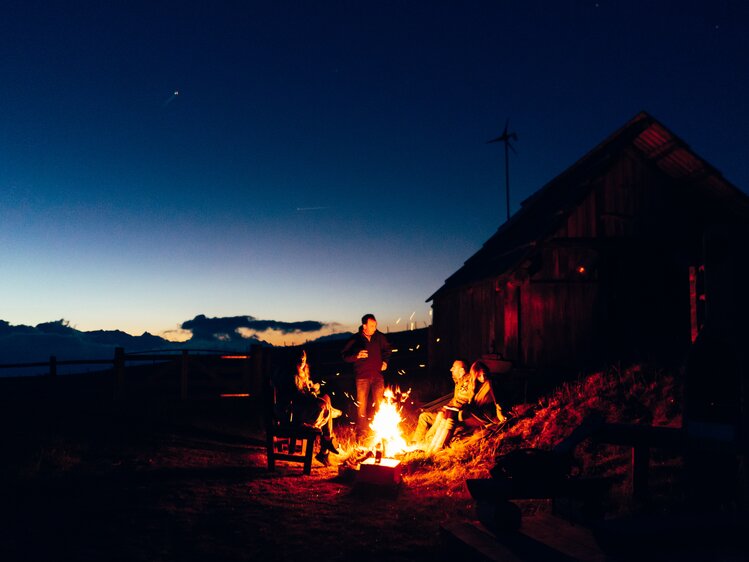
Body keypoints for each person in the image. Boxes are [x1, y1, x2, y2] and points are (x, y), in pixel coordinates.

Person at [426, 360, 505, 452]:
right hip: (477, 412)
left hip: (487, 415)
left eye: (484, 374)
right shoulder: (475, 384)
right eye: (479, 375)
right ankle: (434, 444)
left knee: (453, 414)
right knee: (448, 412)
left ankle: (441, 446)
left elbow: (498, 403)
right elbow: (471, 401)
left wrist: (500, 415)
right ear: (475, 375)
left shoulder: (489, 383)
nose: (483, 377)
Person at [341, 313, 392, 439]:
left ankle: (381, 432)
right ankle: (362, 433)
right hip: (362, 378)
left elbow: (388, 350)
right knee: (361, 407)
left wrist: (385, 361)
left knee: (380, 405)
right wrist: (356, 356)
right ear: (364, 326)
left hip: (378, 377)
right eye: (372, 326)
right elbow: (344, 355)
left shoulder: (379, 337)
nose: (375, 328)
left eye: (375, 325)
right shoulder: (355, 340)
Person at [290, 350, 341, 465]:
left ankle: (326, 445)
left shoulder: (304, 374)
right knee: (324, 404)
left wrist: (314, 387)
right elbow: (297, 397)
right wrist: (311, 393)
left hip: (307, 408)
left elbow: (307, 391)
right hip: (299, 414)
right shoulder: (293, 376)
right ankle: (325, 446)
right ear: (294, 360)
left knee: (326, 398)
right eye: (299, 358)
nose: (302, 361)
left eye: (304, 358)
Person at [411, 359, 472, 444]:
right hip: (448, 412)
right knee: (424, 417)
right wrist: (442, 408)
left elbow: (460, 402)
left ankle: (426, 443)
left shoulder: (467, 383)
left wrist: (444, 410)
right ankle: (415, 442)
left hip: (453, 417)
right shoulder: (459, 381)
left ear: (461, 371)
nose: (451, 369)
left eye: (454, 367)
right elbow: (454, 400)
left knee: (438, 419)